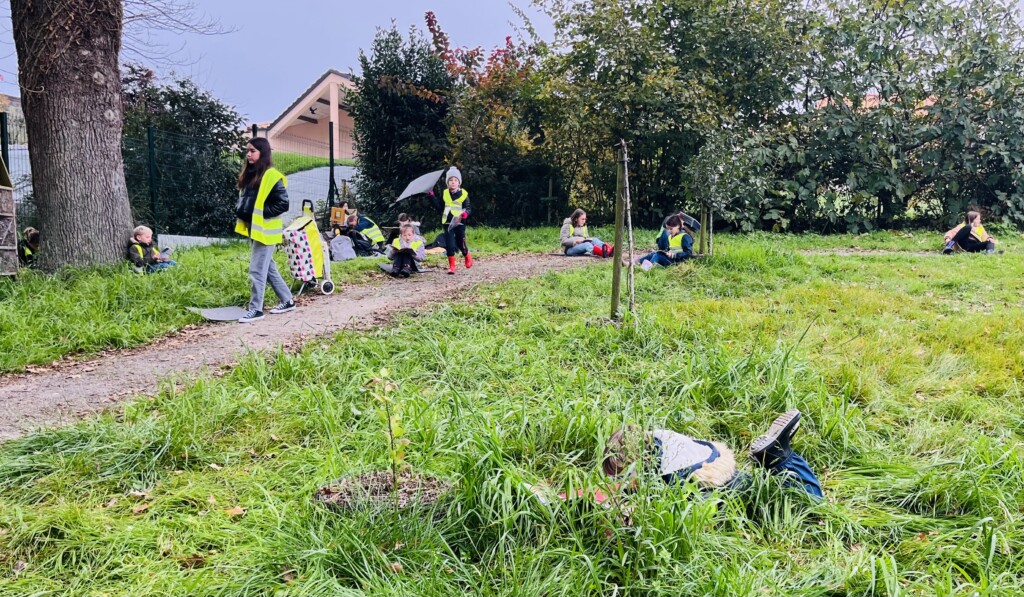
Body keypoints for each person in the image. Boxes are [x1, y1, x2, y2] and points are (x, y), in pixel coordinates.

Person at [603, 409, 823, 499]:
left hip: (716, 484)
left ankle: (780, 456)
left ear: (642, 464)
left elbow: (684, 515)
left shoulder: (674, 476)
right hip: (712, 462)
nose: (619, 482)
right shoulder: (650, 441)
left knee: (803, 501)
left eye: (622, 476)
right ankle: (768, 458)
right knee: (756, 484)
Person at [234, 137, 295, 323]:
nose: (248, 154)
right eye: (247, 151)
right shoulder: (252, 174)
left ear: (263, 153)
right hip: (256, 229)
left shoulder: (271, 175)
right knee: (267, 268)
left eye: (252, 151)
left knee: (256, 270)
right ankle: (287, 300)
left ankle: (256, 309)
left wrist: (260, 215)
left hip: (266, 230)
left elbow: (283, 204)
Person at [429, 166, 472, 274]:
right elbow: (439, 207)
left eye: (455, 180)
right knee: (450, 244)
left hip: (459, 223)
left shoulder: (464, 194)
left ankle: (466, 255)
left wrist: (465, 214)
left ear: (459, 183)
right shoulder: (445, 194)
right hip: (447, 223)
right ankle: (452, 266)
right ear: (447, 183)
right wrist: (431, 196)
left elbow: (468, 208)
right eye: (451, 180)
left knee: (460, 243)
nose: (453, 182)